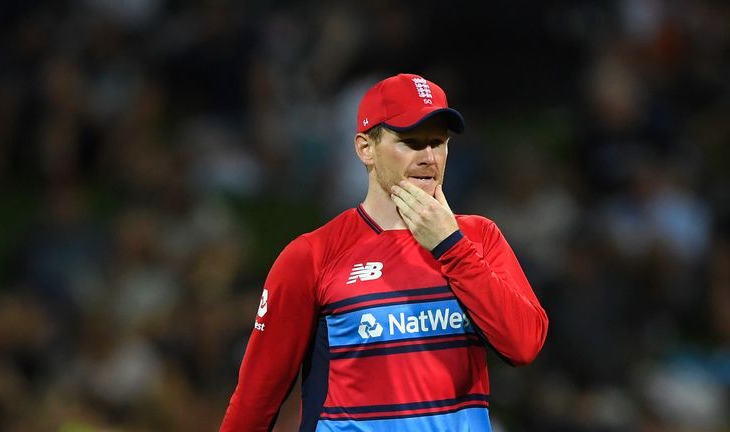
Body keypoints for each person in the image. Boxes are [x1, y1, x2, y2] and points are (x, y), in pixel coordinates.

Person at [220, 73, 549, 431]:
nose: (428, 157)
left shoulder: (478, 239)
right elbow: (256, 399)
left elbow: (524, 345)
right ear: (365, 149)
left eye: (438, 142)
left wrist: (451, 247)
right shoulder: (312, 256)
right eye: (410, 142)